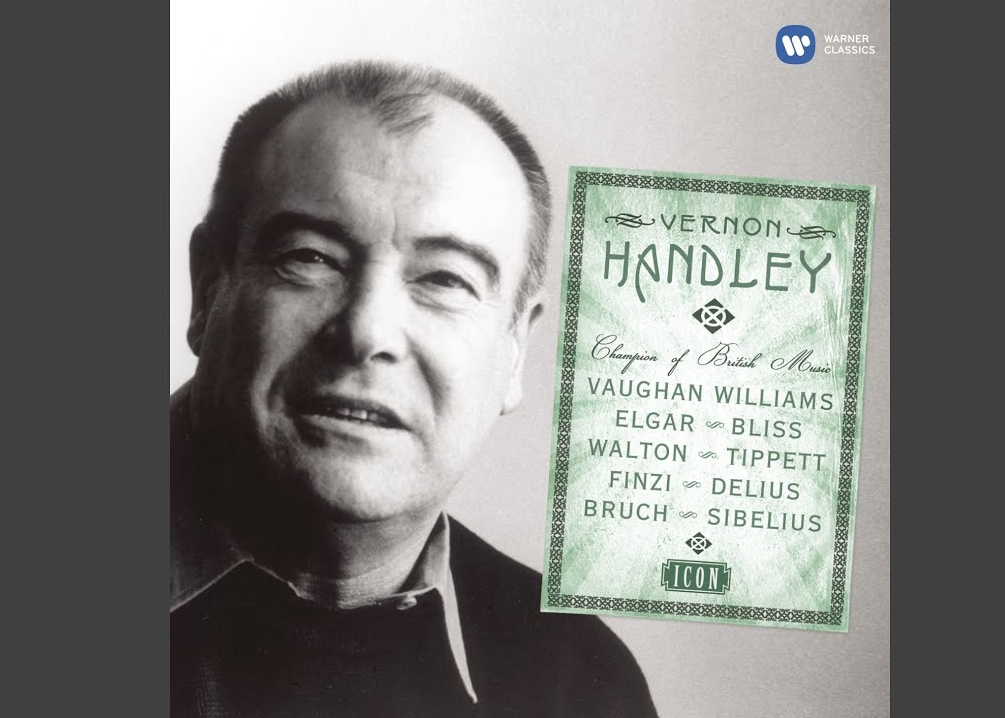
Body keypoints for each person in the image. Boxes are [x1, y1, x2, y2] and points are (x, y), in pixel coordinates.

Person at [170, 60, 658, 718]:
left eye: (446, 279)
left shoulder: (579, 681)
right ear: (208, 290)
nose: (368, 332)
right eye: (310, 258)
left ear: (516, 347)